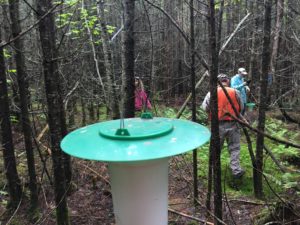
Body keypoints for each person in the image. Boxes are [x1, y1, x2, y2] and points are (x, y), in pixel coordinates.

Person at [202, 74, 245, 178]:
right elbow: (242, 107)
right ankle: (236, 170)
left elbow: (205, 107)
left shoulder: (211, 92)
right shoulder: (235, 92)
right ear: (228, 81)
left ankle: (213, 170)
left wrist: (212, 112)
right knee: (234, 148)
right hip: (233, 123)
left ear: (218, 82)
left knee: (215, 148)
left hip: (217, 125)